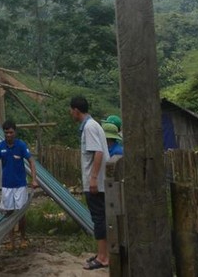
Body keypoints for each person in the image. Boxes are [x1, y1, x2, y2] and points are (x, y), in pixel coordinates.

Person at [69, 96, 110, 271]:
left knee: (99, 218)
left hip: (96, 183)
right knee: (102, 217)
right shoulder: (92, 125)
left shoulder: (89, 127)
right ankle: (104, 253)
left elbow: (98, 152)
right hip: (99, 181)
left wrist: (93, 178)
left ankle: (103, 257)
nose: (71, 113)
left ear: (76, 110)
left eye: (71, 110)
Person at [0, 119, 38, 249]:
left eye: (10, 132)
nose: (8, 135)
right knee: (8, 213)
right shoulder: (0, 147)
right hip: (7, 186)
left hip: (20, 185)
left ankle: (22, 238)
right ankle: (11, 241)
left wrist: (34, 179)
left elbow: (31, 162)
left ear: (15, 132)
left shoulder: (21, 146)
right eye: (6, 133)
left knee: (21, 213)